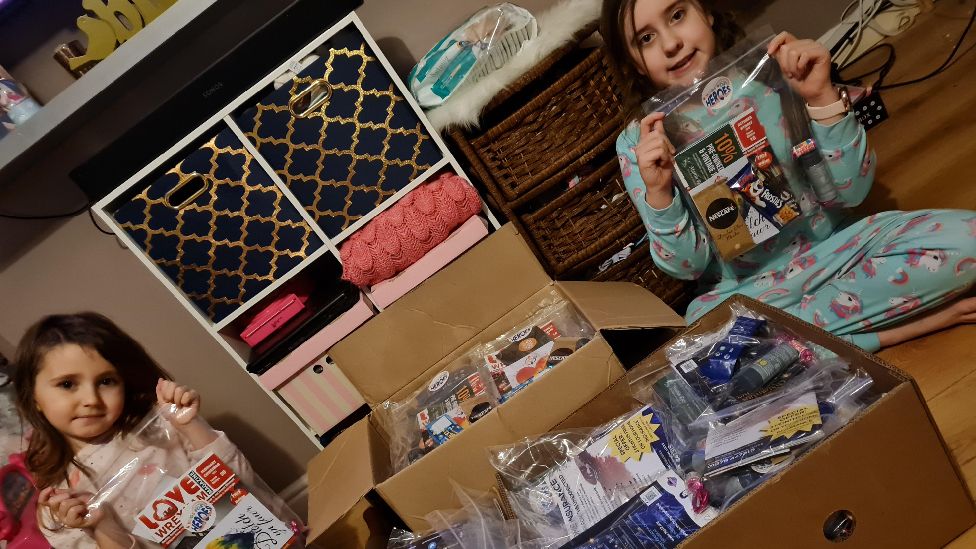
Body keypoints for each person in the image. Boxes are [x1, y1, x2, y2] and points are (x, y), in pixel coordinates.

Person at [602, 0, 976, 351]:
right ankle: (903, 326)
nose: (671, 43)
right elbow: (688, 267)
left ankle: (810, 346)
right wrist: (660, 194)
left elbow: (852, 191)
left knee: (969, 240)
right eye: (646, 38)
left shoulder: (776, 71)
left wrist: (821, 96)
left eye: (678, 15)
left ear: (707, 11)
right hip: (747, 291)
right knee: (709, 344)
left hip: (837, 249)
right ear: (633, 63)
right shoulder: (639, 141)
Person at [12, 312, 296, 548]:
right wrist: (101, 526)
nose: (91, 400)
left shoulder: (160, 429)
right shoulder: (61, 505)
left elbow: (243, 482)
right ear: (33, 396)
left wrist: (189, 425)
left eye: (106, 381)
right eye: (67, 384)